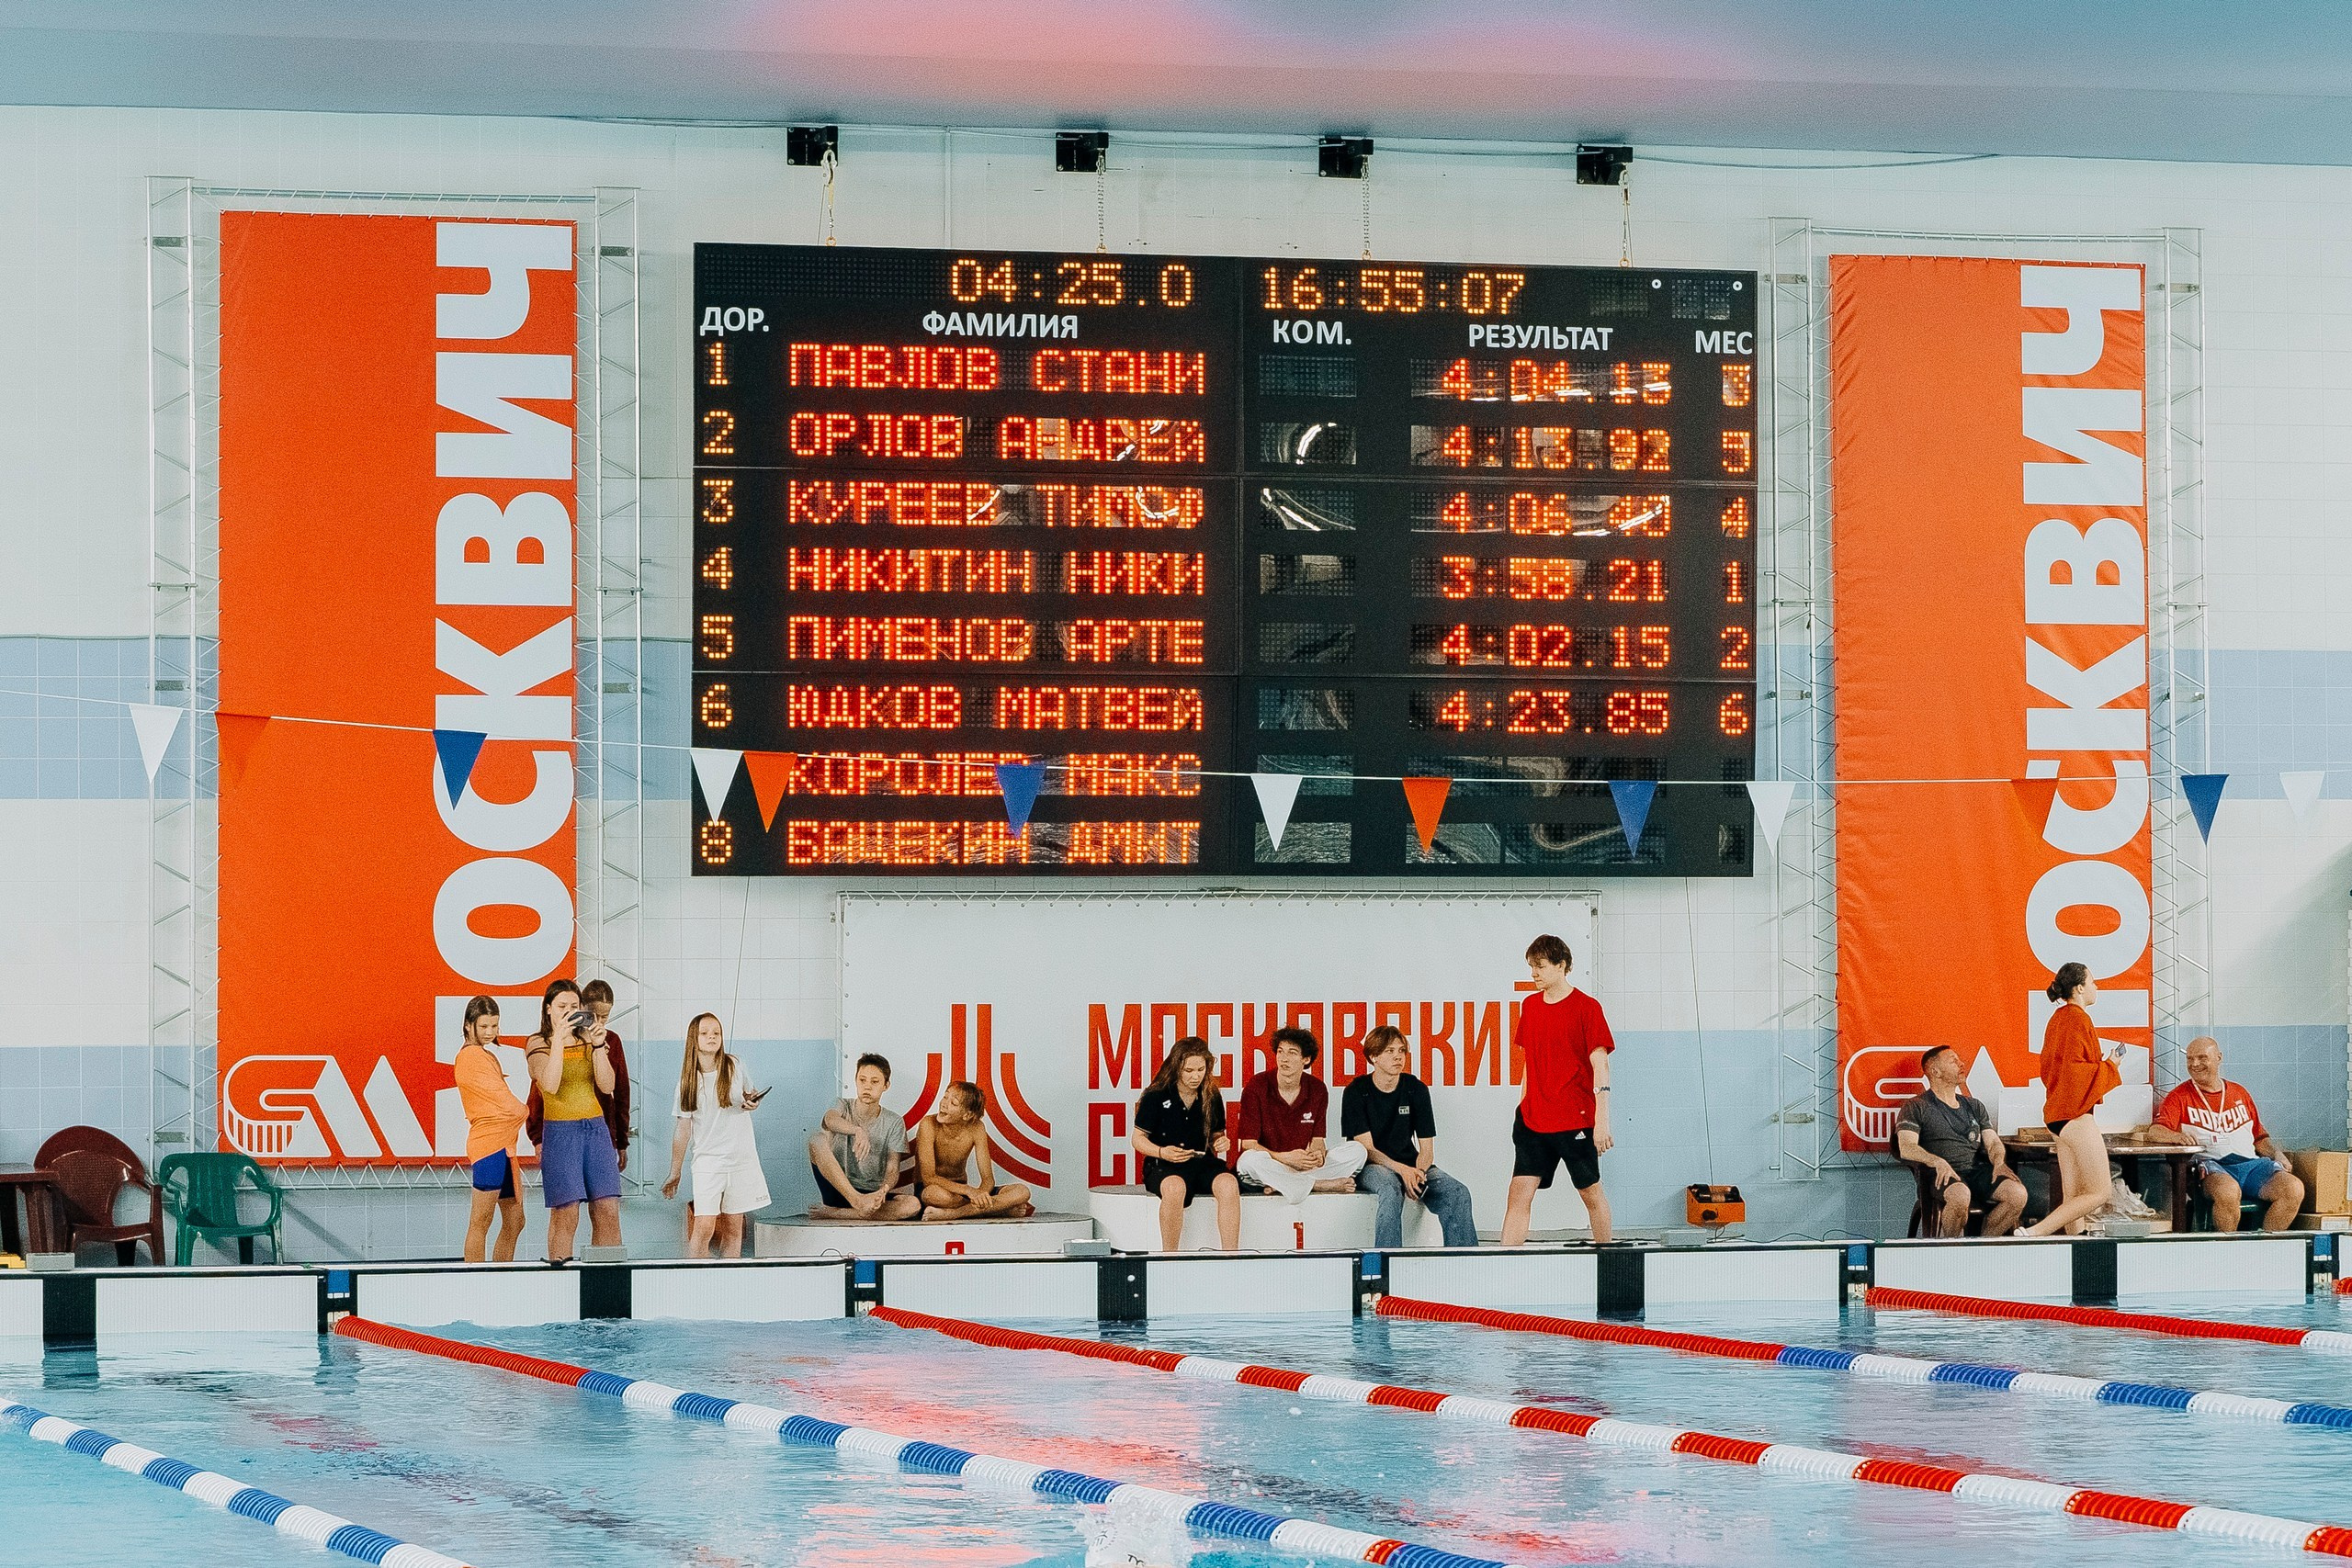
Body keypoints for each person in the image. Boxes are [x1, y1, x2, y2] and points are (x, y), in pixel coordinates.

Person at [1501, 934, 1616, 1246]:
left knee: (1590, 1193)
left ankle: (1607, 1259)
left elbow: (1600, 1064)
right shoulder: (1530, 1006)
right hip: (1533, 1119)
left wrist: (1601, 1122)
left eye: (1539, 966)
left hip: (1575, 1119)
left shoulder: (1587, 1008)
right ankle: (1504, 1264)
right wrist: (1521, 1104)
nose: (1534, 974)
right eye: (1531, 967)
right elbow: (1530, 1061)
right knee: (1519, 1192)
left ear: (1561, 965)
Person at [2146, 1036, 2306, 1232]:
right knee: (2228, 1191)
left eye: (2202, 1057)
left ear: (2218, 1057)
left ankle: (2266, 1243)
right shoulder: (2178, 1096)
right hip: (2213, 1168)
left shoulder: (2239, 1093)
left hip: (2251, 1166)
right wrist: (2176, 1137)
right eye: (2189, 1059)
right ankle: (2229, 1247)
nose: (2195, 1064)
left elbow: (2259, 1138)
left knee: (2293, 1188)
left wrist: (2277, 1154)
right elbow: (2155, 1131)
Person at [1343, 1023, 1477, 1247]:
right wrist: (1403, 1171)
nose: (1398, 1057)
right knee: (1390, 1188)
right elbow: (1367, 1149)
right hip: (1371, 1165)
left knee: (1457, 1192)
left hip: (1412, 1164)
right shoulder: (1357, 1091)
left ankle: (1464, 1262)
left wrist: (1419, 1173)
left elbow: (1427, 1149)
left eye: (1401, 1051)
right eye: (1390, 1051)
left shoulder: (1415, 1088)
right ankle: (1387, 1263)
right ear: (1374, 1056)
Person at [525, 978, 625, 1261]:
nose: (568, 1011)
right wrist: (558, 1040)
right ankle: (561, 1283)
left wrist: (597, 1046)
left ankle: (606, 1283)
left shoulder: (589, 1040)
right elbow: (551, 1084)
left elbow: (607, 1086)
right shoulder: (537, 1043)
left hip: (595, 1129)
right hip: (560, 1132)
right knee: (566, 1213)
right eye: (561, 1007)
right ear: (548, 1010)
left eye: (573, 1006)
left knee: (608, 1209)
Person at [2021, 961, 2120, 1236]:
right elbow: (2076, 1074)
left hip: (2056, 1116)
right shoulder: (2078, 1019)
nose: (2097, 987)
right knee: (2100, 1191)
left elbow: (2054, 1069)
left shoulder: (2057, 1020)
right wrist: (2111, 1065)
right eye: (2093, 982)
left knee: (2073, 1196)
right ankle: (2035, 1232)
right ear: (2078, 988)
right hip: (2076, 1115)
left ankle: (2076, 1241)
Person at [661, 1012, 770, 1258]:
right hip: (708, 1161)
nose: (712, 1037)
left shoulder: (735, 1064)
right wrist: (675, 1171)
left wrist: (752, 1102)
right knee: (704, 1227)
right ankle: (695, 1282)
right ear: (694, 1039)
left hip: (741, 1159)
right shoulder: (687, 1082)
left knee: (734, 1230)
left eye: (716, 1033)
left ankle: (728, 1285)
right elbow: (683, 1129)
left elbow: (749, 1095)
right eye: (705, 1033)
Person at [1894, 1045, 2027, 1237]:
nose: (1961, 1064)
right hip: (1939, 1174)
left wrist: (1999, 1162)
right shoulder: (1916, 1106)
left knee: (2017, 1194)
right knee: (1960, 1196)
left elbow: (1992, 1142)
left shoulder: (1973, 1105)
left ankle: (1982, 1246)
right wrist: (1937, 1162)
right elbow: (1906, 1148)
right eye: (1953, 1061)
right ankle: (1952, 1249)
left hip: (1975, 1170)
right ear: (1935, 1071)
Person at [1130, 1035, 1240, 1251]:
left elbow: (1217, 1134)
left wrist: (1221, 1142)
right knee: (1174, 1187)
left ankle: (1231, 1254)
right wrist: (1162, 1152)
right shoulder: (1156, 1095)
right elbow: (1138, 1139)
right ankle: (1170, 1256)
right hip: (1164, 1163)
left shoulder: (1212, 1095)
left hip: (1200, 1161)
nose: (1195, 1076)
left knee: (1229, 1184)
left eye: (1200, 1070)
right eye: (1189, 1071)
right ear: (1176, 1067)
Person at [1234, 1026, 1367, 1201]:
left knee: (1357, 1151)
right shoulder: (1257, 1085)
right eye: (1280, 1052)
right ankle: (1319, 1186)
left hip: (1299, 1168)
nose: (1284, 1059)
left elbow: (1318, 1141)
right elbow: (1248, 1144)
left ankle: (1287, 1184)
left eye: (1292, 1053)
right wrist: (1285, 1158)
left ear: (1306, 1059)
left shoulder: (1318, 1089)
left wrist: (1316, 1157)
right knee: (1248, 1160)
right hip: (1272, 1164)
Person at [453, 996, 527, 1263]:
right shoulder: (471, 1057)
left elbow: (505, 1105)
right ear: (468, 1025)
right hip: (489, 1147)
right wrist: (523, 1112)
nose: (490, 1032)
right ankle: (476, 1282)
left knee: (515, 1220)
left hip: (505, 1146)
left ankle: (499, 1276)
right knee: (481, 1221)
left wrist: (518, 1114)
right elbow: (508, 1104)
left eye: (494, 1026)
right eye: (484, 1026)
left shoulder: (486, 1056)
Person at [808, 1053, 920, 1220]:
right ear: (855, 1081)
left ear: (886, 1085)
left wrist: (884, 1189)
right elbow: (830, 1120)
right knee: (816, 1139)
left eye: (874, 1082)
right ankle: (856, 1202)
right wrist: (857, 1131)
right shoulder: (842, 1105)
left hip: (871, 1194)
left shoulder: (894, 1121)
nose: (867, 1087)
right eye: (862, 1080)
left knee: (913, 1205)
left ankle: (840, 1214)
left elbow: (892, 1167)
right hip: (839, 1187)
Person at [915, 1081, 1034, 1220]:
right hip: (935, 1189)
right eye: (945, 1097)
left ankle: (953, 1214)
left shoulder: (977, 1128)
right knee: (933, 1194)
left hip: (961, 1193)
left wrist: (980, 1195)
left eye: (953, 1103)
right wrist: (971, 1193)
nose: (944, 1104)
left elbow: (988, 1179)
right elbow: (929, 1178)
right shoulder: (928, 1124)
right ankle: (997, 1210)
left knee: (1022, 1191)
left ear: (967, 1115)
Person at [578, 979, 633, 1178]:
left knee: (604, 1200)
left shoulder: (612, 1040)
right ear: (582, 1008)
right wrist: (537, 1137)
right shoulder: (566, 1038)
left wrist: (621, 1140)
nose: (599, 1022)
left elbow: (621, 1093)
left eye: (605, 1017)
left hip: (603, 1127)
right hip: (570, 1125)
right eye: (594, 1015)